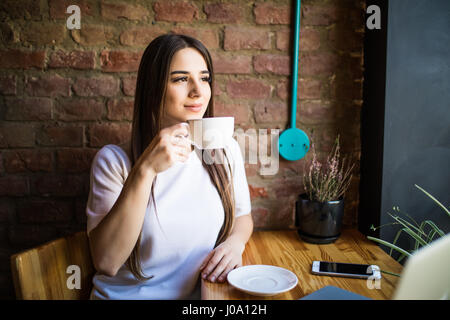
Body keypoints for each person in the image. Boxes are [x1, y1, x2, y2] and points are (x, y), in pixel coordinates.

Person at [86, 34, 253, 300]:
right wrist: (145, 170)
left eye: (204, 78)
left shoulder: (224, 150)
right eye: (180, 79)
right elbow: (106, 261)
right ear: (154, 88)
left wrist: (235, 244)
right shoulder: (114, 161)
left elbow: (243, 216)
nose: (198, 90)